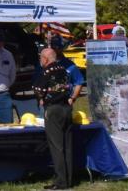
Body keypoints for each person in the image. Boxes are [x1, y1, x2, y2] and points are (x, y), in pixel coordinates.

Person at [33, 47, 75, 190]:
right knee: (67, 146)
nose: (40, 60)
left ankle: (61, 182)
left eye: (41, 57)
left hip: (53, 109)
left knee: (57, 147)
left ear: (45, 59)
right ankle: (68, 179)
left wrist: (41, 98)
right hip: (66, 108)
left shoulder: (46, 72)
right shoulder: (64, 70)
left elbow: (39, 89)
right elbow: (69, 86)